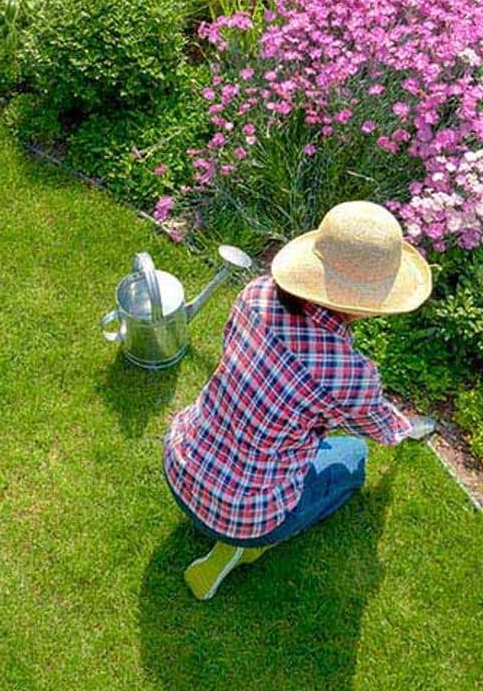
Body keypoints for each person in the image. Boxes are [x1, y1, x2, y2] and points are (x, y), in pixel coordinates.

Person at [163, 200, 437, 601]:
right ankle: (244, 548)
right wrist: (405, 428)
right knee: (352, 459)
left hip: (180, 463)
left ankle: (234, 529)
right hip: (241, 512)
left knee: (308, 439)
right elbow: (379, 428)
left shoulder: (255, 295)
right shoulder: (350, 374)